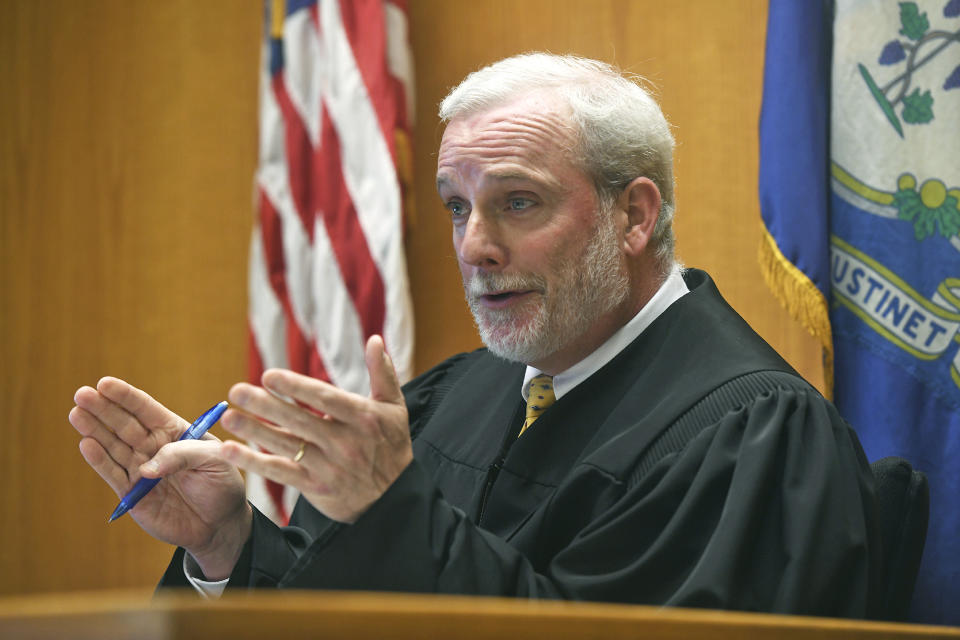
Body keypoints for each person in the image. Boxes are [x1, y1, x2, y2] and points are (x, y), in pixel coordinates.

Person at [69, 53, 881, 616]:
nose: (473, 247)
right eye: (458, 206)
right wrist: (226, 544)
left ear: (634, 215)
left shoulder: (751, 437)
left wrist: (397, 516)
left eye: (517, 202)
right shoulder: (454, 396)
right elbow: (328, 611)